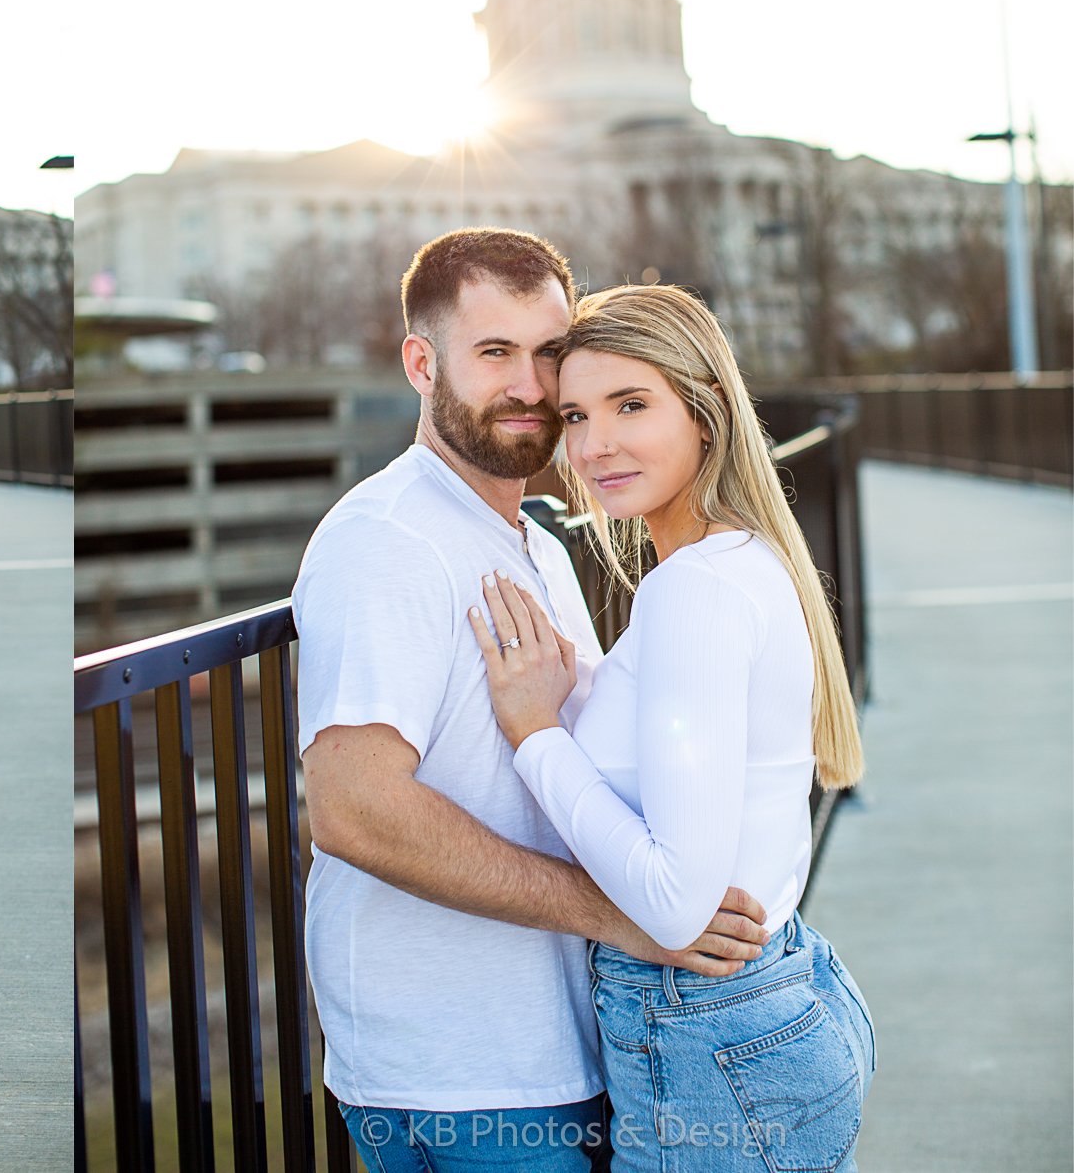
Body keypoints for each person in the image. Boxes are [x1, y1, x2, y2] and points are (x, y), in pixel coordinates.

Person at [293, 228, 772, 1173]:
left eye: (548, 354)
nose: (527, 385)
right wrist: (622, 915)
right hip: (457, 1078)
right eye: (494, 353)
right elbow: (351, 810)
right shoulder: (387, 541)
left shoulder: (537, 542)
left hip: (560, 1047)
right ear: (423, 364)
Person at [472, 283, 875, 1170]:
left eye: (631, 405)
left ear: (705, 411)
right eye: (575, 415)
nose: (594, 444)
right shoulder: (742, 557)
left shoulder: (693, 589)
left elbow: (676, 902)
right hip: (774, 1001)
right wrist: (583, 691)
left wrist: (536, 735)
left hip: (710, 1043)